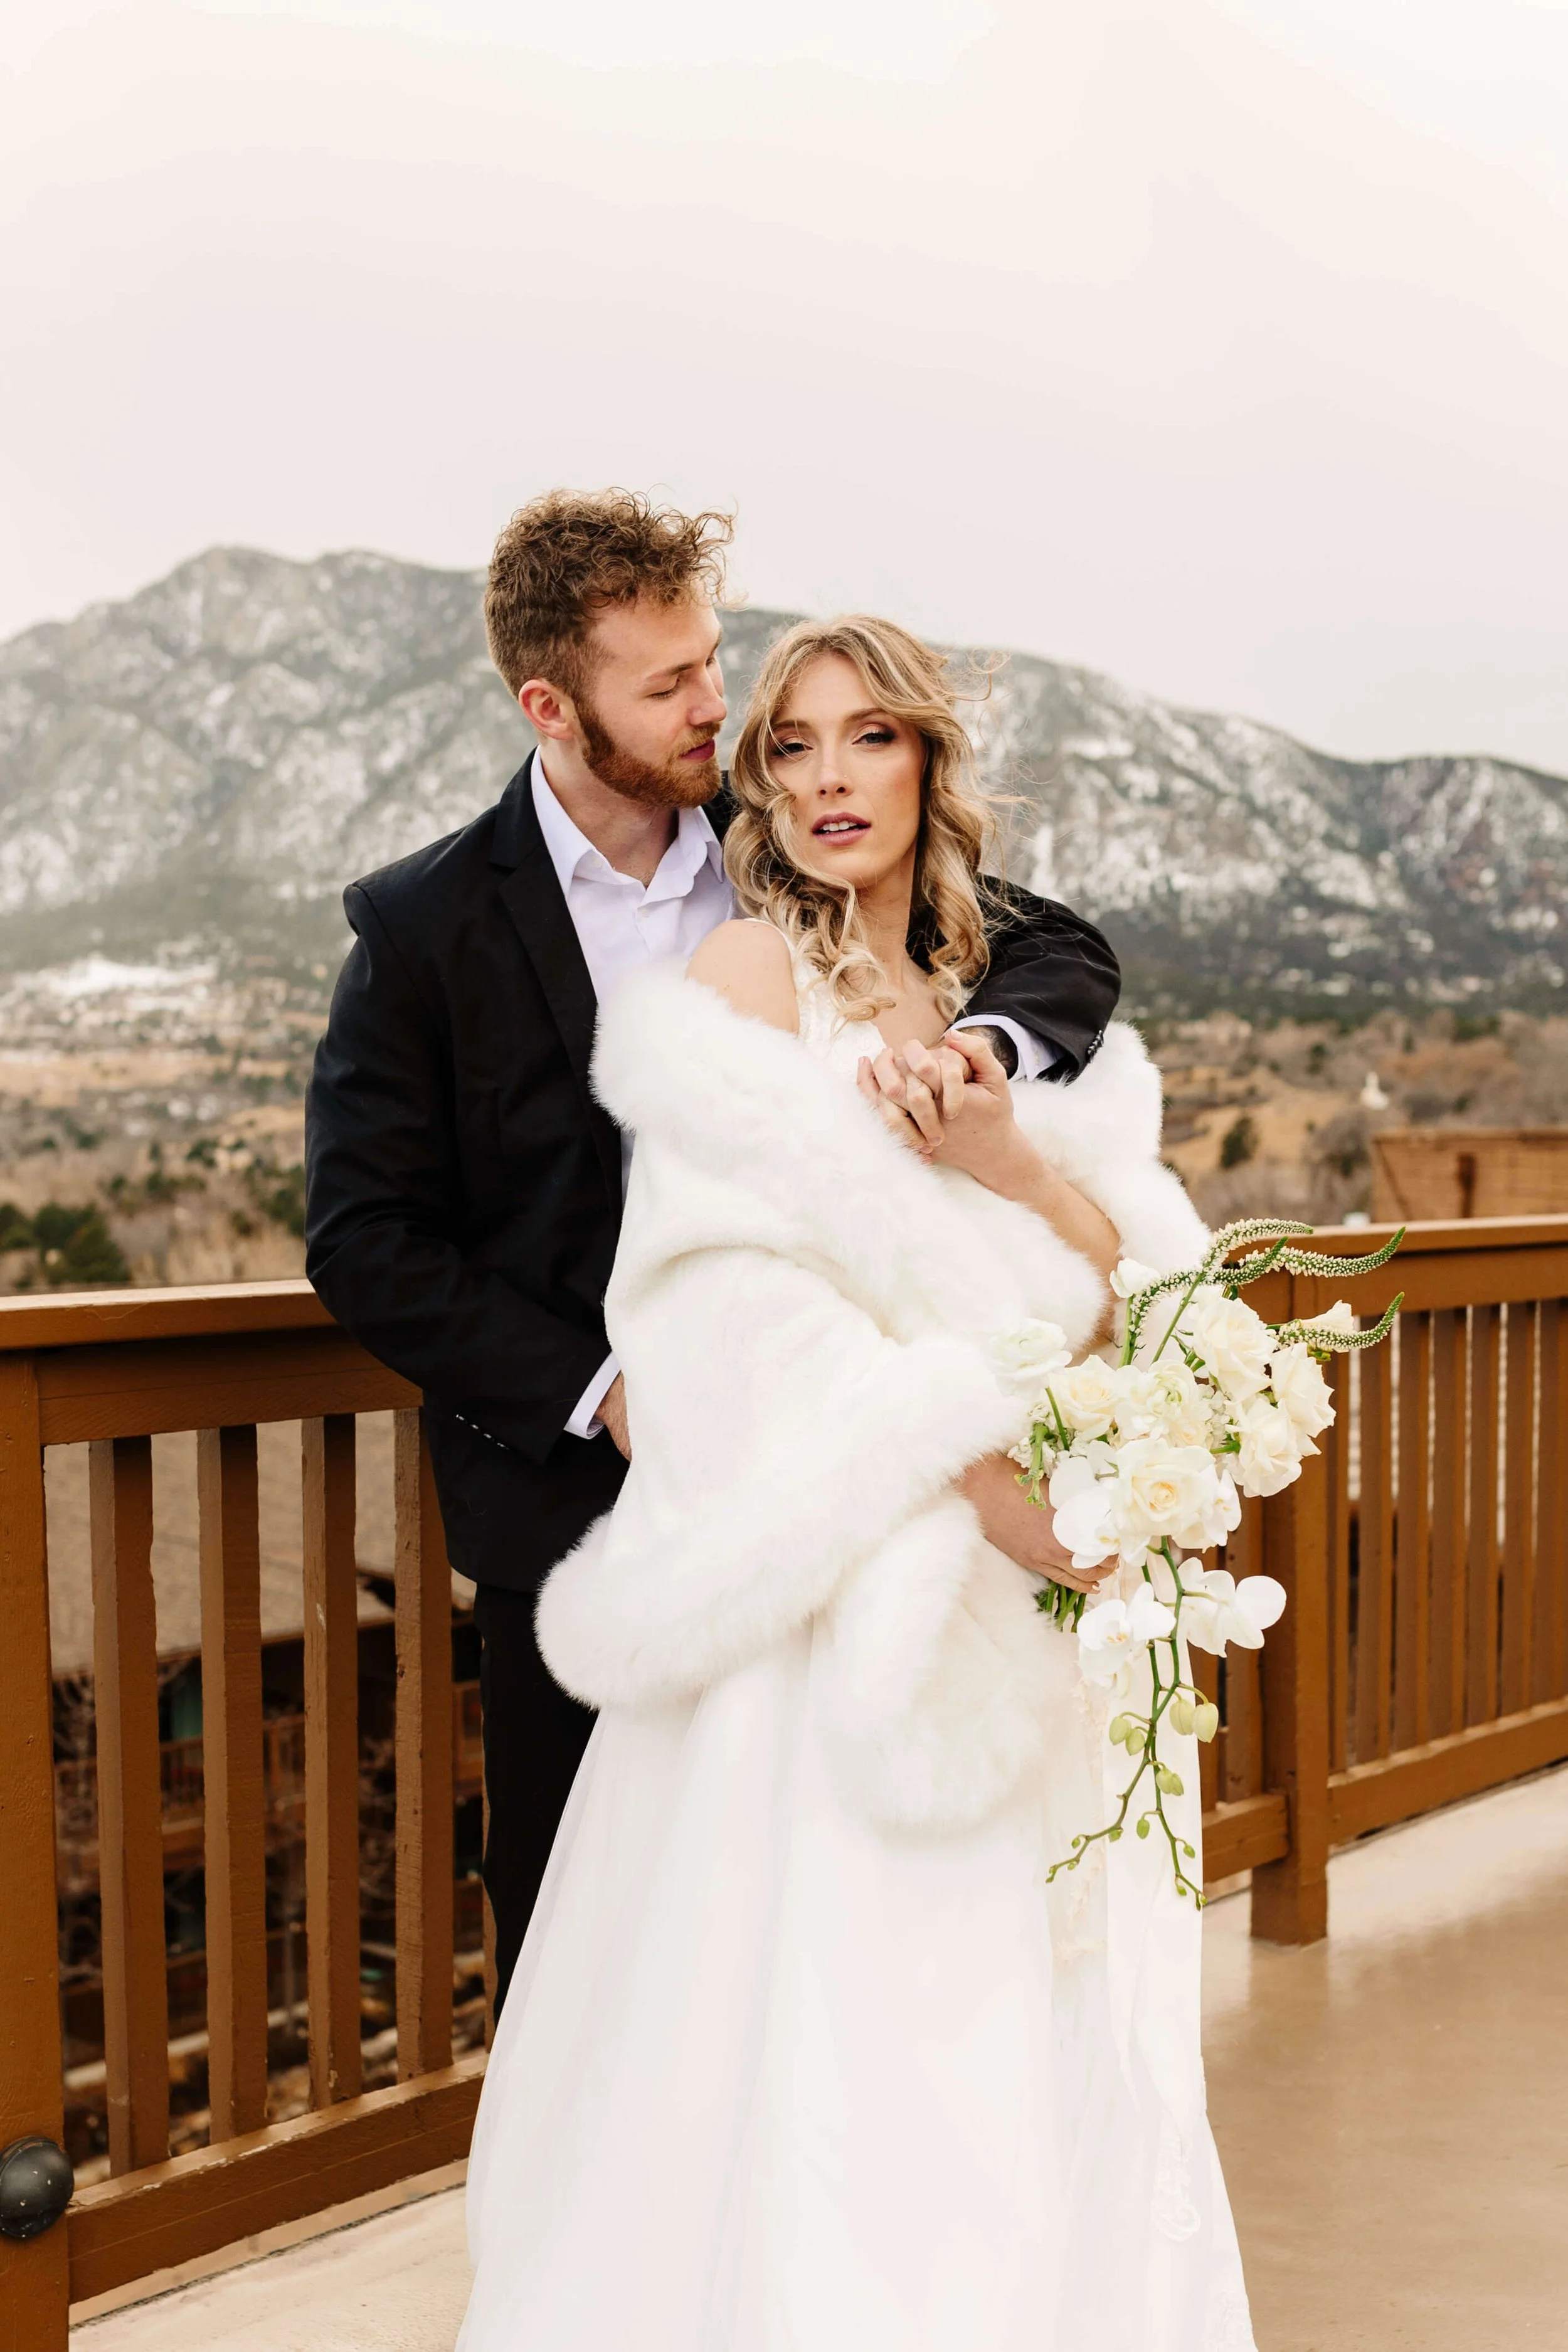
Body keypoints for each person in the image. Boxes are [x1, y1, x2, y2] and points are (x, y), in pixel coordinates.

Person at [455, 614, 1255, 2351]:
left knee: (1040, 2037)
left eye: (868, 736)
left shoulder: (1000, 1013)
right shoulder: (746, 986)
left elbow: (1130, 1270)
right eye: (796, 743)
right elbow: (721, 1310)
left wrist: (1007, 1166)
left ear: (927, 764)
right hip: (856, 1610)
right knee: (858, 2064)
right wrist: (984, 1484)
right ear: (761, 781)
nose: (829, 776)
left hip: (1039, 1606)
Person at [303, 490, 1124, 2012]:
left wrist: (986, 1061)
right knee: (588, 1930)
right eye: (667, 682)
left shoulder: (777, 853)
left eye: (709, 661)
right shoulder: (424, 928)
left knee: (819, 1939)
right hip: (582, 1504)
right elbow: (363, 1238)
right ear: (552, 706)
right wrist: (605, 1388)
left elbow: (1047, 944)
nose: (714, 708)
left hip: (853, 1480)